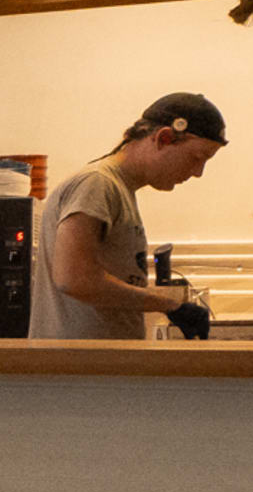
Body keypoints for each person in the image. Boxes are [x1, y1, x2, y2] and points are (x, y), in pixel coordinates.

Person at [31, 93, 226, 340]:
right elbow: (75, 279)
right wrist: (168, 305)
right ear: (163, 138)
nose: (198, 172)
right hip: (80, 371)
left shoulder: (118, 190)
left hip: (96, 369)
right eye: (196, 158)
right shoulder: (96, 184)